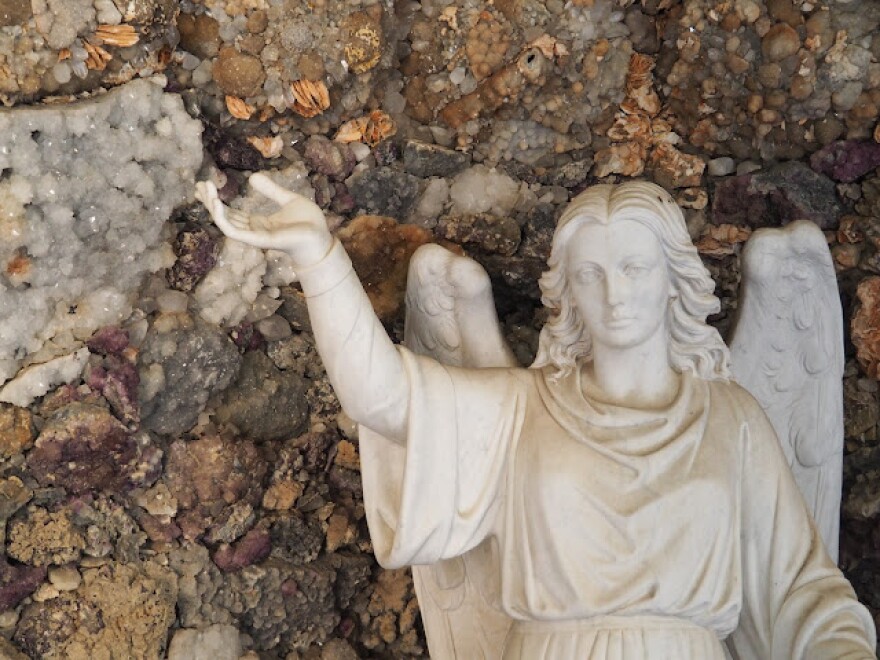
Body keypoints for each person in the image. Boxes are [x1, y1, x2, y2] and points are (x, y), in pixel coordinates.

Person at [196, 176, 877, 659]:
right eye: (591, 275)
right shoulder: (524, 409)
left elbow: (799, 590)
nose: (616, 295)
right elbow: (384, 398)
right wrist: (321, 261)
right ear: (568, 293)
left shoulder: (733, 420)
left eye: (636, 268)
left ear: (674, 278)